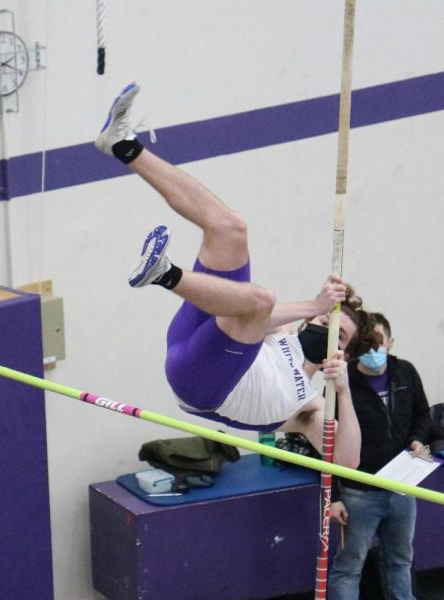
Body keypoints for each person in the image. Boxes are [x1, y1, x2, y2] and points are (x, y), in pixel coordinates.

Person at [94, 82, 374, 465]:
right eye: (327, 318)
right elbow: (262, 319)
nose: (326, 324)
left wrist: (341, 390)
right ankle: (124, 145)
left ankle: (164, 273)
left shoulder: (307, 406)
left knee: (260, 301)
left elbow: (348, 463)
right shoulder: (285, 338)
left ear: (341, 354)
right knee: (230, 227)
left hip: (201, 383)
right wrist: (311, 307)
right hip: (193, 338)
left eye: (338, 333)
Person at [328, 312, 432, 600]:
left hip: (402, 488)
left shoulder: (406, 372)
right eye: (367, 346)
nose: (374, 352)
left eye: (380, 344)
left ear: (391, 342)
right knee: (349, 567)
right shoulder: (341, 382)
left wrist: (418, 440)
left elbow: (423, 415)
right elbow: (323, 444)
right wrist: (334, 497)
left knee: (400, 561)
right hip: (358, 494)